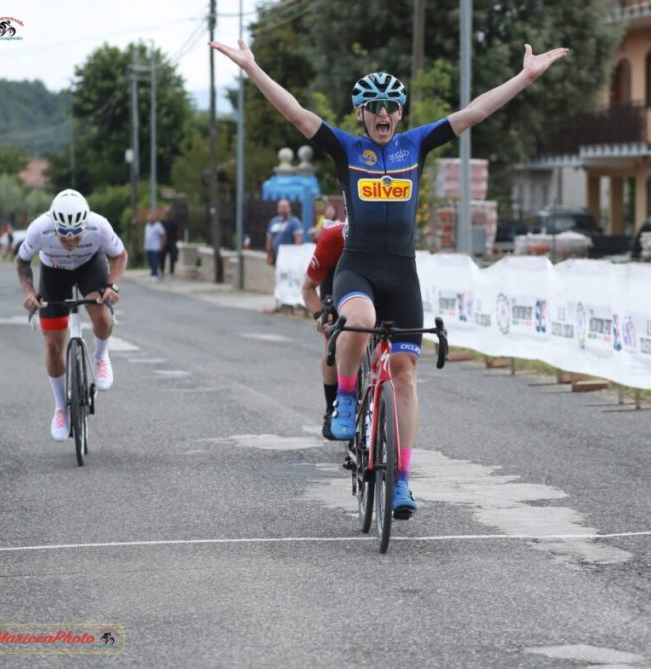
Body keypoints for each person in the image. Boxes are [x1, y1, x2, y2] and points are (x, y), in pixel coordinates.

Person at [211, 37, 569, 519]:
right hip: (359, 267)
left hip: (402, 272)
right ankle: (342, 402)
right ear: (361, 114)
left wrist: (525, 78)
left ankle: (401, 479)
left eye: (391, 106)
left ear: (400, 113)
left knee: (405, 376)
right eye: (373, 107)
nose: (383, 113)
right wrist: (252, 67)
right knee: (358, 318)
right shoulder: (346, 148)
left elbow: (474, 112)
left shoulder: (415, 145)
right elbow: (296, 113)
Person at [16, 189, 127, 441]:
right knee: (54, 345)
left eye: (75, 237)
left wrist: (112, 286)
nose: (69, 243)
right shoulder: (39, 229)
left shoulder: (99, 226)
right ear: (53, 225)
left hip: (90, 265)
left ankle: (100, 356)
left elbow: (119, 255)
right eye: (63, 237)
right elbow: (22, 262)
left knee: (99, 311)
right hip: (54, 271)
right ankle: (60, 407)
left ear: (84, 225)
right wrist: (30, 292)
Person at [301, 221, 346, 439]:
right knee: (333, 342)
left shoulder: (388, 231)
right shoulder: (332, 237)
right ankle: (331, 409)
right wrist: (320, 315)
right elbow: (308, 287)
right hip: (336, 280)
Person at [266, 198, 302, 266]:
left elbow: (298, 240)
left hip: (289, 258)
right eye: (281, 207)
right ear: (278, 209)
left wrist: (297, 255)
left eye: (285, 207)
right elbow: (269, 238)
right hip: (276, 257)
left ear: (289, 208)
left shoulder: (294, 222)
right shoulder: (274, 221)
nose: (283, 209)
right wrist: (269, 254)